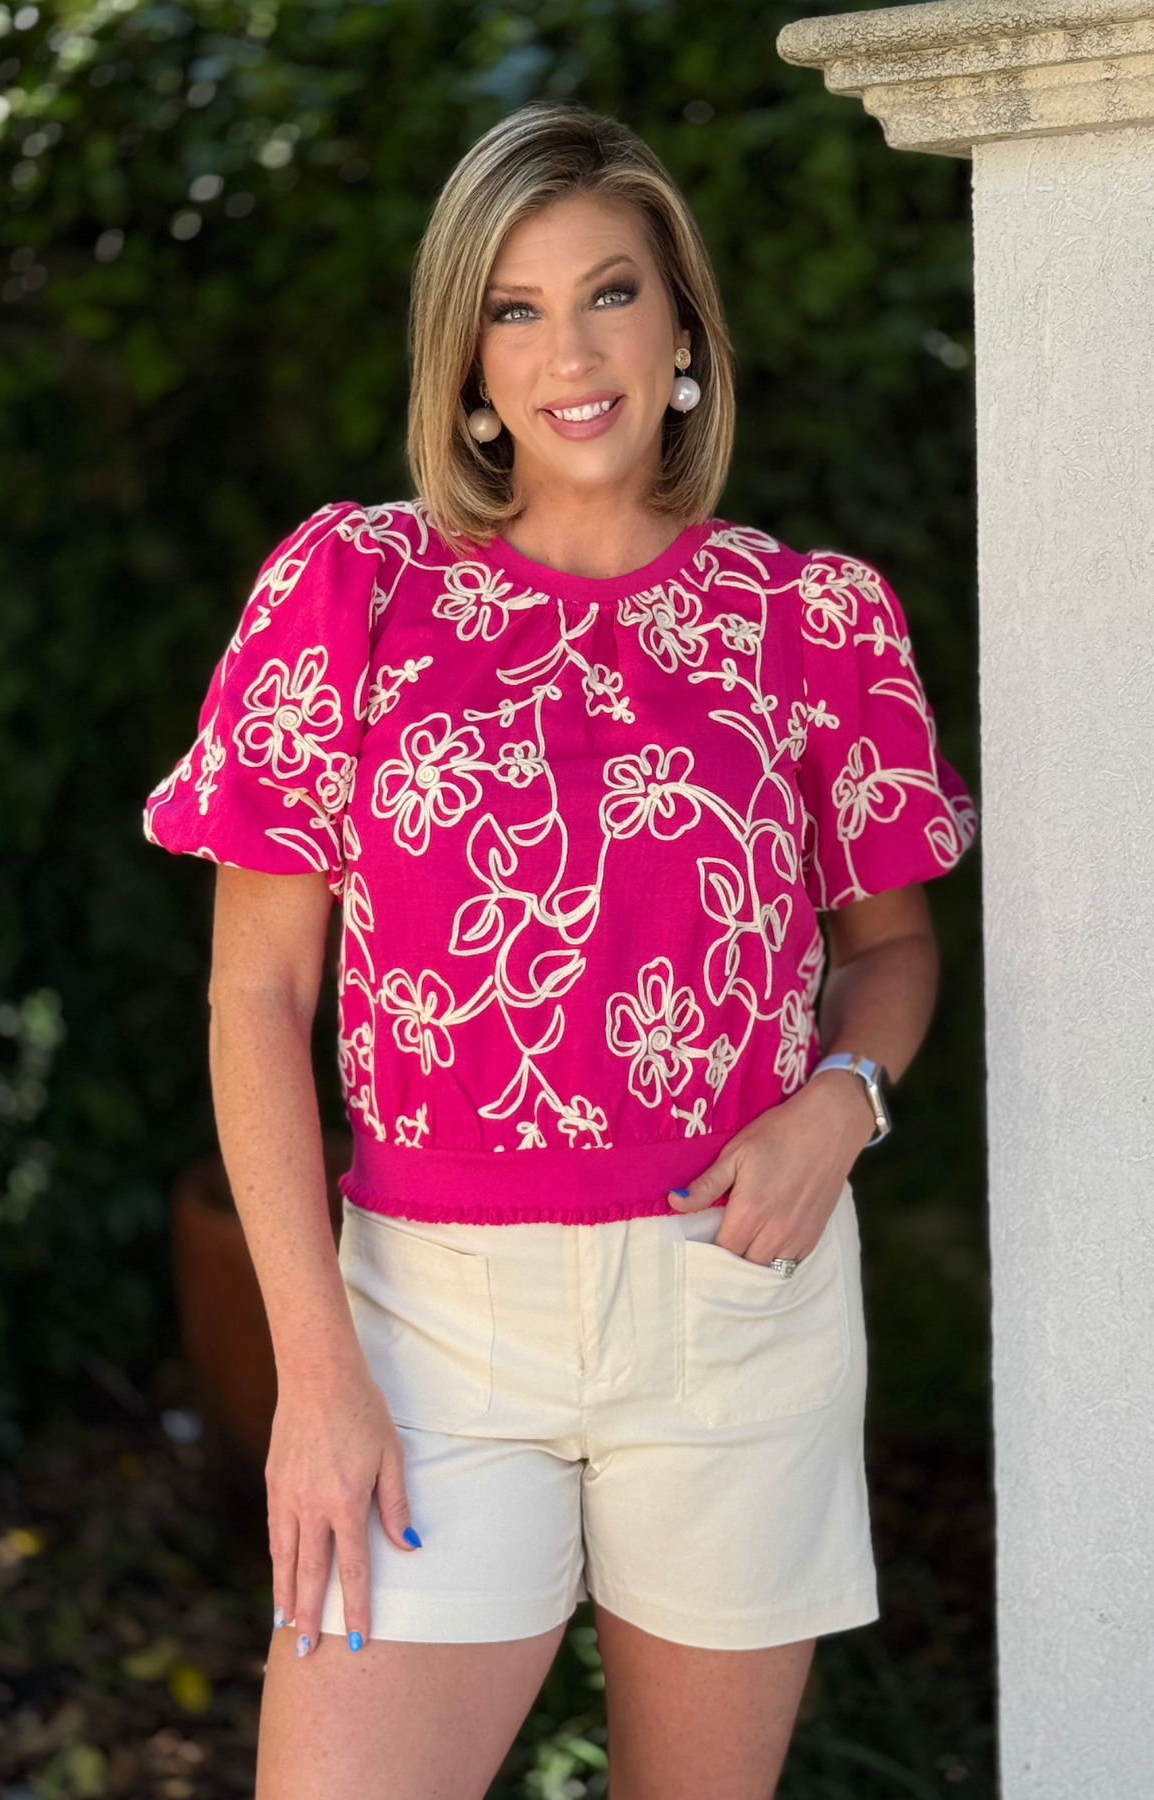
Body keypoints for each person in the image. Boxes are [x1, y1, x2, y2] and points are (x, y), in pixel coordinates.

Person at [145, 102, 975, 1800]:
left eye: (611, 294)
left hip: (731, 1309)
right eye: (513, 309)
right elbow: (257, 993)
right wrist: (315, 1373)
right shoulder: (354, 593)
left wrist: (841, 1106)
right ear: (465, 353)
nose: (568, 350)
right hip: (424, 1332)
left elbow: (891, 945)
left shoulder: (806, 623)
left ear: (683, 330)